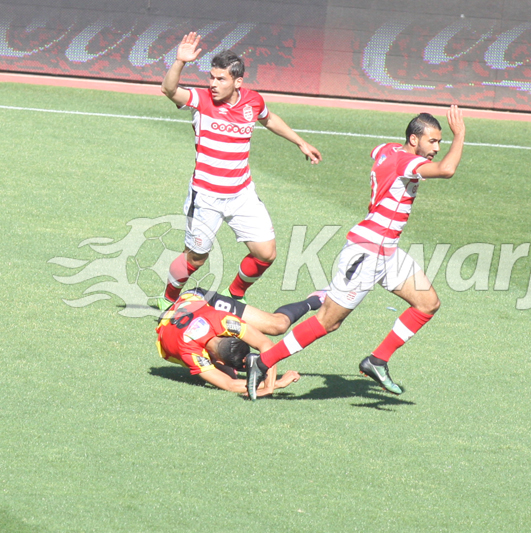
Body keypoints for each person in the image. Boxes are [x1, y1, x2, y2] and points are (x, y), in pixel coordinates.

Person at [245, 106, 466, 399]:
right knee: (328, 321)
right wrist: (460, 135)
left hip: (386, 250)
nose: (437, 148)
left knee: (427, 303)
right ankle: (261, 362)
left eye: (440, 142)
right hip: (367, 253)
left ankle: (377, 360)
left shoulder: (388, 151)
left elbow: (376, 152)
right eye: (433, 142)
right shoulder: (405, 162)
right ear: (414, 140)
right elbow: (447, 171)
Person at [157, 32, 322, 311]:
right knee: (196, 258)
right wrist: (179, 62)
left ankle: (234, 293)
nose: (213, 84)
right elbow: (169, 90)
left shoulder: (253, 101)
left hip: (241, 194)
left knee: (265, 254)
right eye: (211, 77)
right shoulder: (201, 100)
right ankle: (167, 299)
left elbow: (268, 119)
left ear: (238, 81)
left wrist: (300, 142)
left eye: (220, 79)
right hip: (206, 195)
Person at [156, 287, 323, 397]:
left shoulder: (224, 320)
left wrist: (269, 386)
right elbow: (229, 383)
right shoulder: (190, 353)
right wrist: (277, 383)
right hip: (180, 315)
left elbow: (266, 345)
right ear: (218, 361)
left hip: (197, 302)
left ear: (231, 334)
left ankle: (317, 299)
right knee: (231, 375)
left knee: (278, 325)